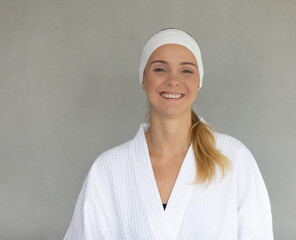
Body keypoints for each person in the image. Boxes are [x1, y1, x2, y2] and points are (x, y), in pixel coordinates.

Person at [63, 28, 273, 240]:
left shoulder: (233, 159)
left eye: (186, 70)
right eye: (160, 69)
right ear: (143, 79)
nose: (173, 80)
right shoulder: (108, 169)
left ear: (199, 82)